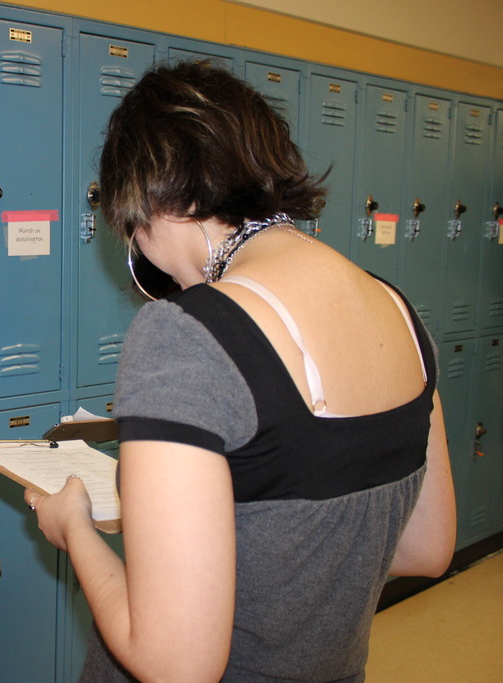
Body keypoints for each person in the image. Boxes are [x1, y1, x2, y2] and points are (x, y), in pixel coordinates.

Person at [24, 61, 456, 682]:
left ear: (152, 200)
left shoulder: (186, 334)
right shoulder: (397, 311)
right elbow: (427, 548)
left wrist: (76, 531)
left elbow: (176, 665)